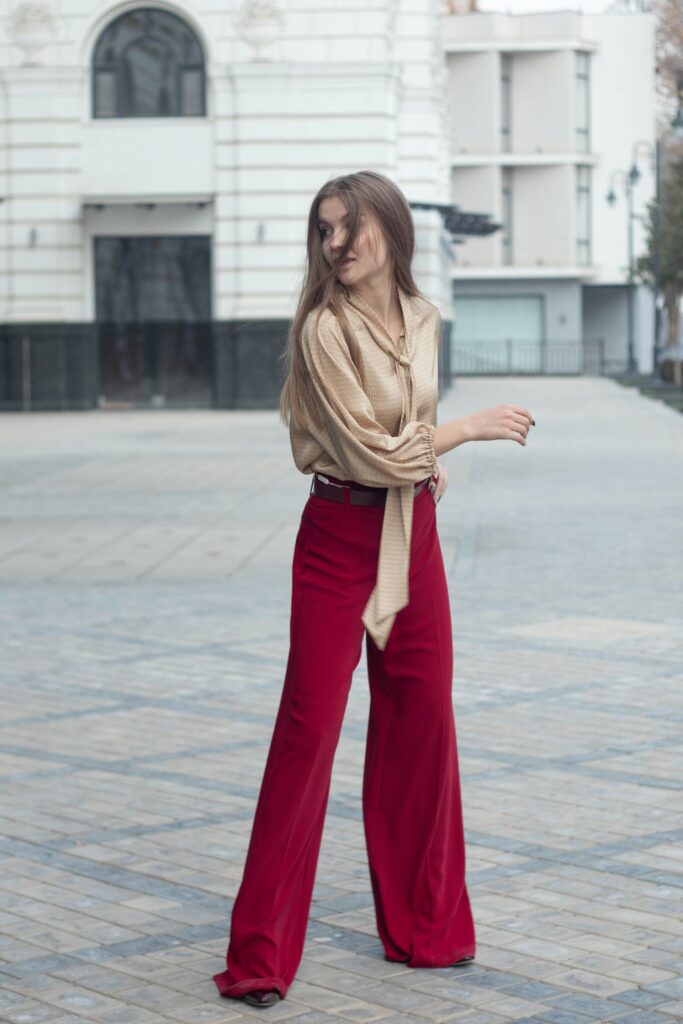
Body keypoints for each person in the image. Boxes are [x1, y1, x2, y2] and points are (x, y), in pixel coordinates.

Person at [213, 170, 535, 1008]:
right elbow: (368, 451)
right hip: (337, 538)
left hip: (410, 530)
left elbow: (404, 433)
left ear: (389, 228)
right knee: (308, 733)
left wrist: (427, 470)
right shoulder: (323, 329)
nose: (335, 244)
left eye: (348, 227)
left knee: (422, 724)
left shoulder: (421, 318)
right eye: (323, 230)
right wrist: (463, 432)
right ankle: (258, 957)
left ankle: (427, 931)